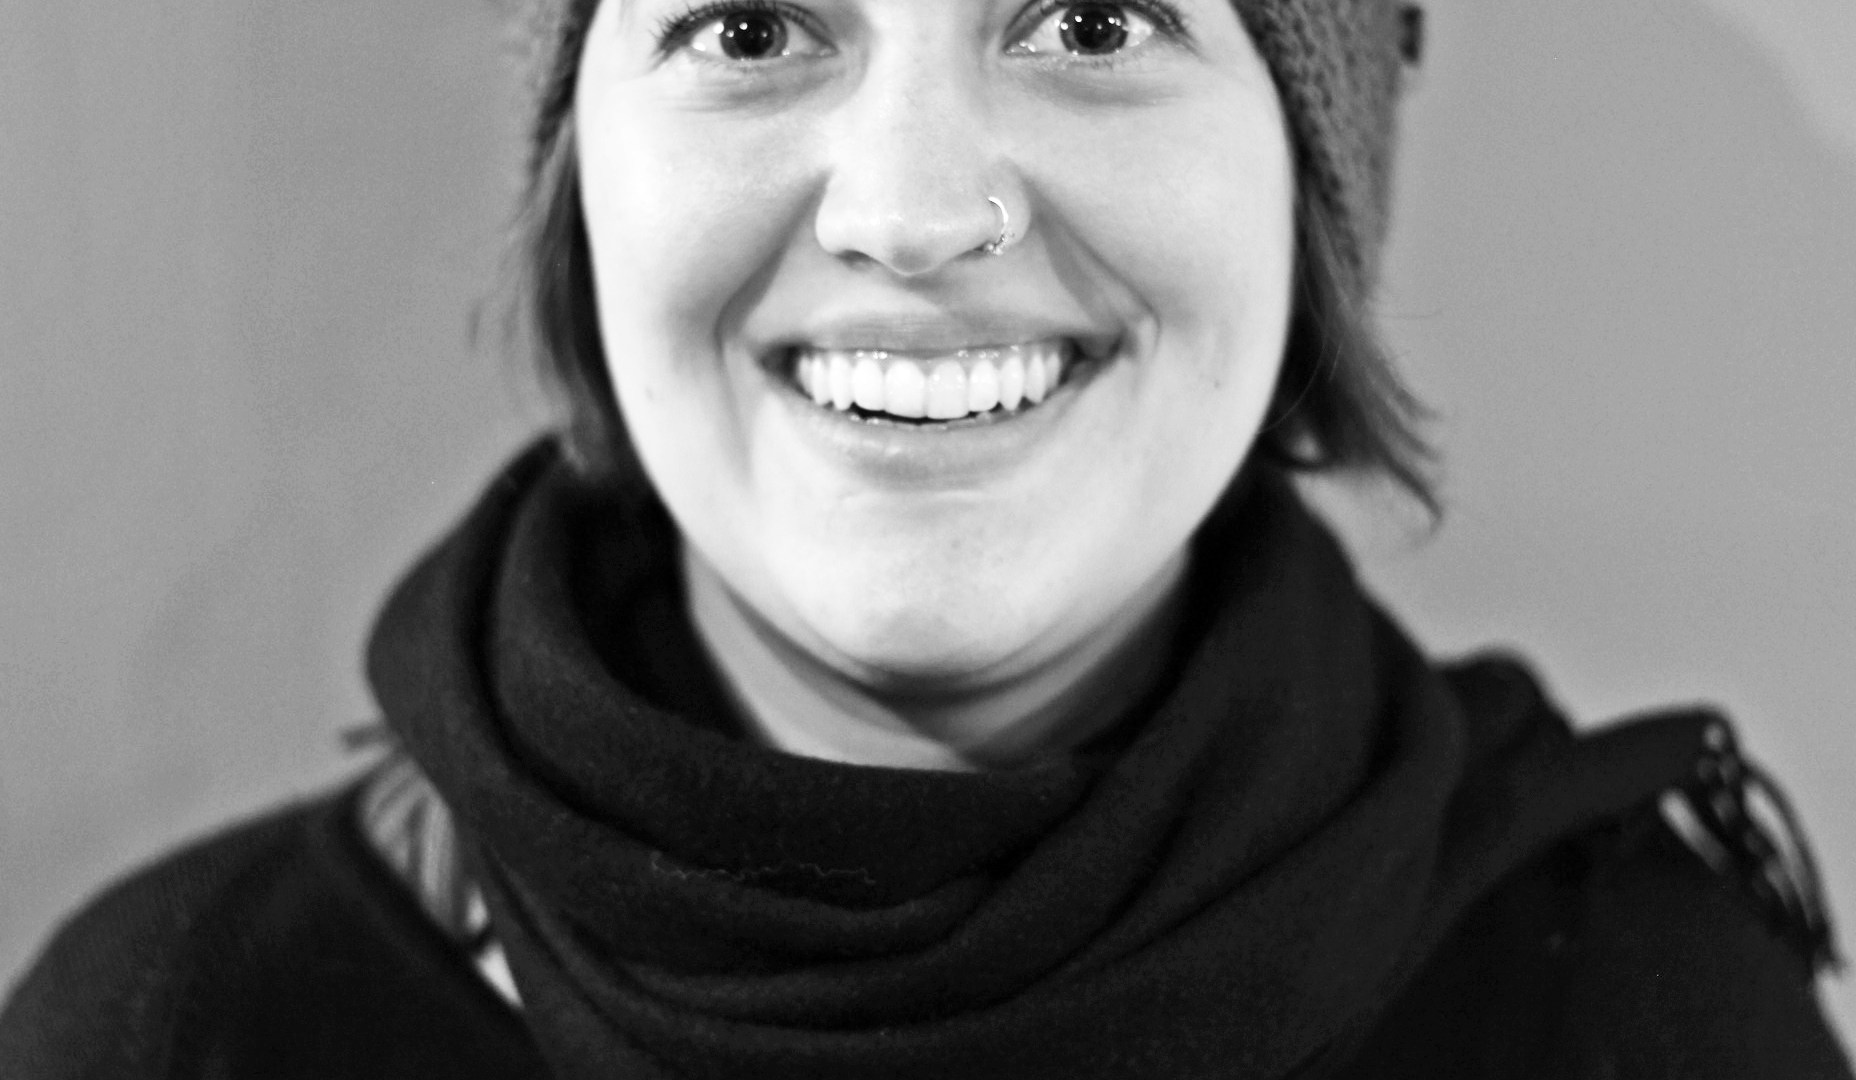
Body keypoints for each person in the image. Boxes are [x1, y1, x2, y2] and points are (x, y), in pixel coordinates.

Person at [1, 0, 1849, 1076]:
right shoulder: (186, 1034)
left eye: (1095, 19)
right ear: (584, 173)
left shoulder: (1643, 1023)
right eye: (749, 24)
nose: (909, 209)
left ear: (1311, 178)